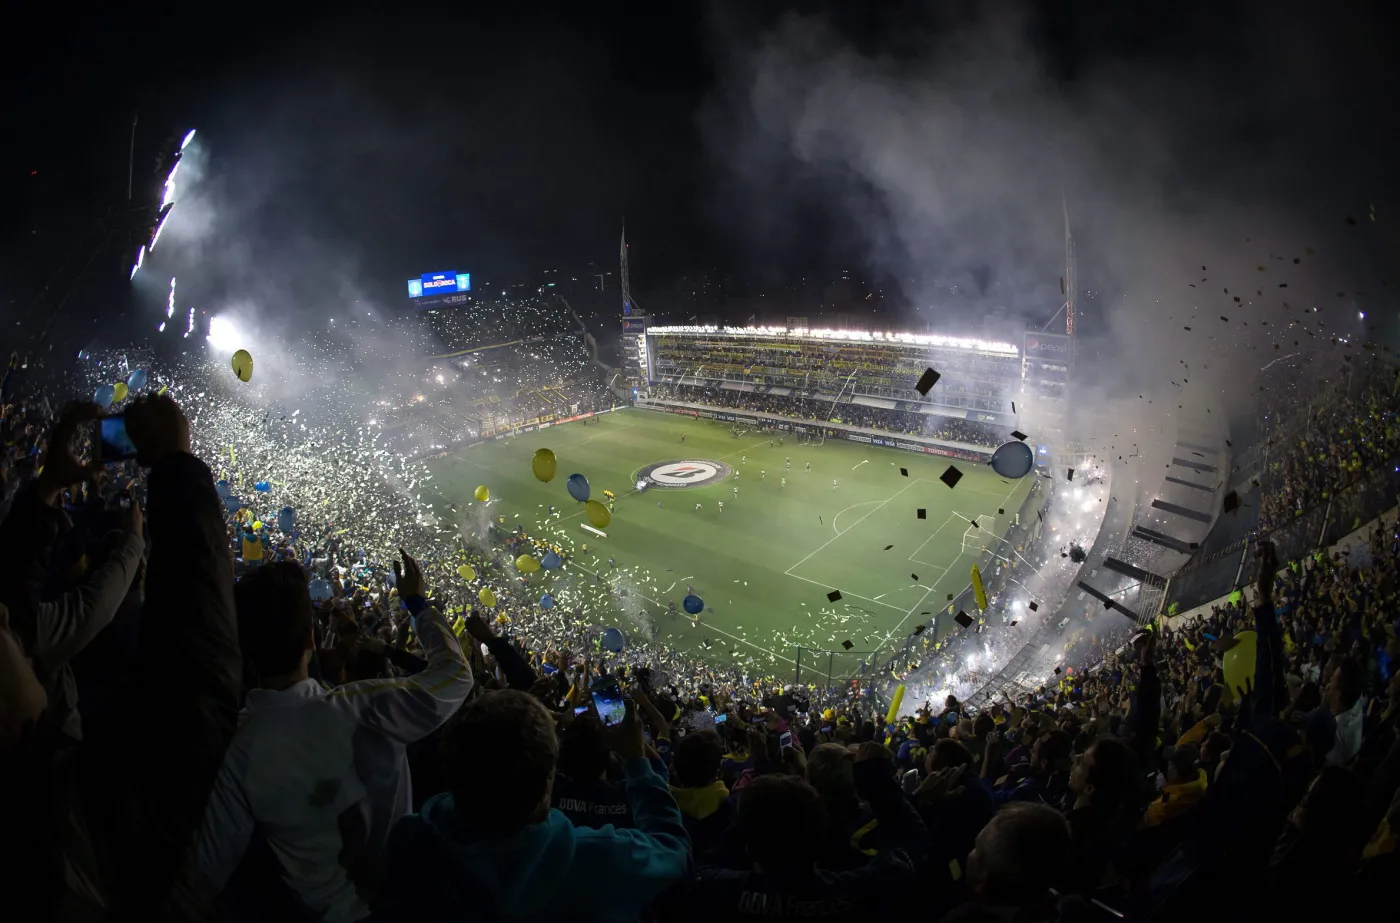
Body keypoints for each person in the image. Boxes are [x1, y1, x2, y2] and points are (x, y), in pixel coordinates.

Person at [1, 395, 244, 920]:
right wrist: (176, 467)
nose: (14, 631)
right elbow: (198, 673)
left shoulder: (38, 785)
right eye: (7, 642)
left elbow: (16, 604)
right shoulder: (86, 826)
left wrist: (47, 487)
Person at [194, 550, 472, 922]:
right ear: (311, 639)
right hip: (396, 905)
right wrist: (416, 602)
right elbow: (457, 676)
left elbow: (207, 873)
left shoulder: (238, 747)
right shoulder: (365, 707)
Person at [377, 692, 691, 921]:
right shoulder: (602, 857)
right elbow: (675, 851)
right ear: (548, 782)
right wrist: (636, 762)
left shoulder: (409, 841)